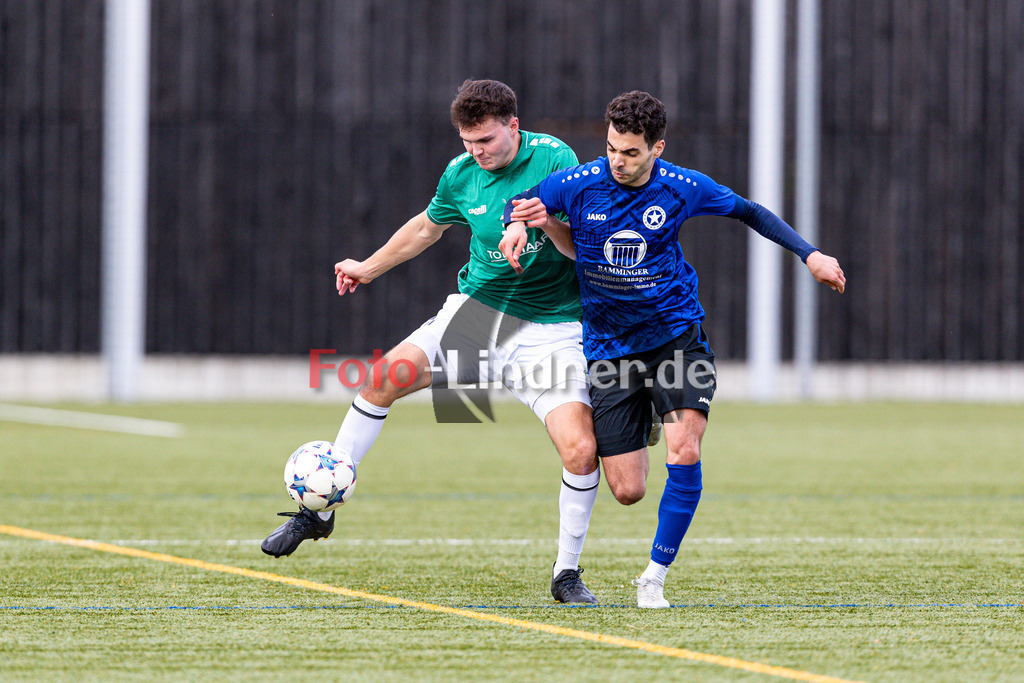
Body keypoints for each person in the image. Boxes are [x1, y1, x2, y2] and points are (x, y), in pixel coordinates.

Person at [498, 90, 846, 608]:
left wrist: (810, 254)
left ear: (657, 148)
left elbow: (751, 211)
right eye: (613, 148)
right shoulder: (577, 183)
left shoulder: (685, 188)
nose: (618, 160)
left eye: (631, 152)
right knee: (627, 490)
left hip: (677, 336)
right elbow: (520, 202)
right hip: (610, 347)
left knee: (686, 450)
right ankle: (651, 416)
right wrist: (515, 228)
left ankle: (654, 578)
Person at [261, 79, 604, 604]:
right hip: (479, 316)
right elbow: (426, 228)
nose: (477, 152)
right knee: (380, 382)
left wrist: (536, 218)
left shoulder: (554, 157)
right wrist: (367, 268)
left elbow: (581, 244)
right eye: (468, 143)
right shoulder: (461, 173)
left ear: (514, 125)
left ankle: (567, 574)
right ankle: (317, 514)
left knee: (581, 452)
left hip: (552, 329)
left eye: (487, 141)